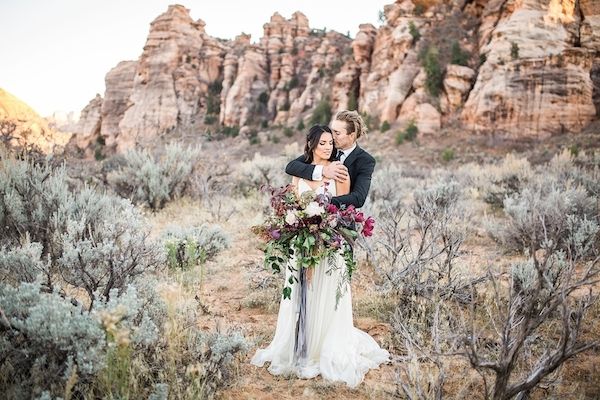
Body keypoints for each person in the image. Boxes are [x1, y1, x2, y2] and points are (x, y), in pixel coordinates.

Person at [250, 125, 389, 388]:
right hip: (300, 244)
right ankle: (298, 348)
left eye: (330, 143)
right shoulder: (300, 171)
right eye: (322, 143)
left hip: (328, 244)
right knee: (302, 294)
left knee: (325, 295)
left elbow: (348, 205)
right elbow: (290, 201)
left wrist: (323, 215)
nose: (327, 147)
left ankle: (321, 350)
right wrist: (294, 222)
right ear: (312, 144)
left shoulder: (340, 171)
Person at [285, 110, 376, 209]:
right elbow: (291, 167)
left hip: (338, 218)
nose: (332, 136)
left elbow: (358, 198)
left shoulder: (365, 160)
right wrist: (323, 170)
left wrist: (320, 203)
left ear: (351, 136)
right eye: (332, 131)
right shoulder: (327, 150)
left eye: (337, 133)